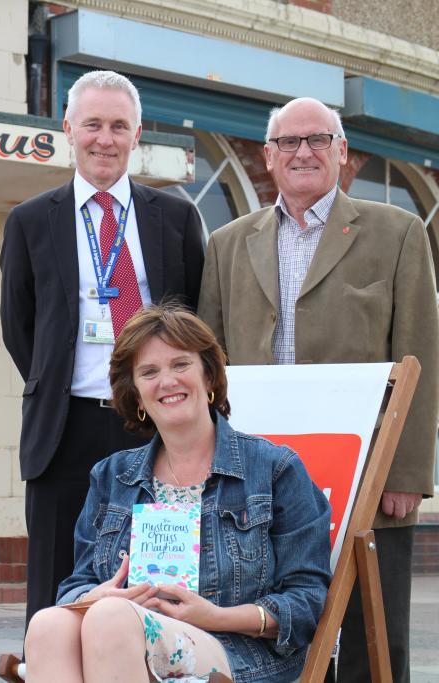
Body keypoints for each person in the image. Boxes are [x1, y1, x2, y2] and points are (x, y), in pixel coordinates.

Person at [198, 97, 439, 683]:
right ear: (268, 157)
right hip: (260, 475)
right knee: (274, 630)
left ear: (342, 153)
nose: (302, 151)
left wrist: (406, 475)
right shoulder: (227, 244)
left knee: (371, 639)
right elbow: (210, 366)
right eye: (288, 142)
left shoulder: (397, 233)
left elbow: (421, 357)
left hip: (366, 473)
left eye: (318, 140)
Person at [24, 306, 332, 683]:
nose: (166, 381)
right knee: (47, 625)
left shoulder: (274, 469)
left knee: (109, 621)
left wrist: (213, 616)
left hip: (240, 650)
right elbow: (76, 586)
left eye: (180, 364)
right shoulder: (111, 476)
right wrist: (99, 595)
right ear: (136, 397)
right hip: (123, 633)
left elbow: (306, 602)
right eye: (149, 372)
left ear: (209, 377)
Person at [0, 69, 205, 631]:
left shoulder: (177, 218)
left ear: (138, 134)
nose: (105, 139)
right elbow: (19, 328)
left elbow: (194, 322)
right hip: (63, 430)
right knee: (54, 591)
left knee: (156, 582)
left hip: (154, 428)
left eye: (119, 126)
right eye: (92, 124)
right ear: (68, 128)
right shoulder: (29, 221)